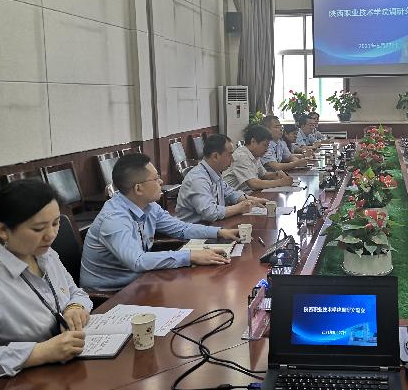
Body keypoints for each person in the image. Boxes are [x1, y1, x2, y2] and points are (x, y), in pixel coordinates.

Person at [0, 180, 92, 390]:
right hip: (14, 389)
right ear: (3, 230)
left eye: (56, 223)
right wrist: (38, 352)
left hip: (62, 376)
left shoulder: (46, 254)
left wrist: (75, 307)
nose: (51, 235)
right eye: (38, 228)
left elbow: (77, 292)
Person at [80, 153, 239, 291]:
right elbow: (137, 261)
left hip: (140, 280)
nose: (161, 182)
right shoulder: (114, 219)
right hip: (111, 294)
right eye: (156, 178)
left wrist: (219, 232)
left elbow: (181, 229)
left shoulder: (149, 206)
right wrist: (190, 256)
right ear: (138, 189)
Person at [175, 134, 267, 223]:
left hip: (213, 225)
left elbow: (231, 193)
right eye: (229, 155)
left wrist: (252, 200)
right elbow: (210, 213)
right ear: (215, 156)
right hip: (195, 230)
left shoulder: (214, 173)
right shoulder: (197, 179)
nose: (233, 159)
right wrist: (240, 208)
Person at [222, 124, 295, 191]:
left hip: (245, 193)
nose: (266, 149)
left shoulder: (255, 155)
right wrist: (280, 182)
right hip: (230, 197)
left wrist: (276, 174)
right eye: (264, 145)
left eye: (267, 146)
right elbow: (254, 183)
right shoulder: (241, 156)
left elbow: (263, 175)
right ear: (253, 142)